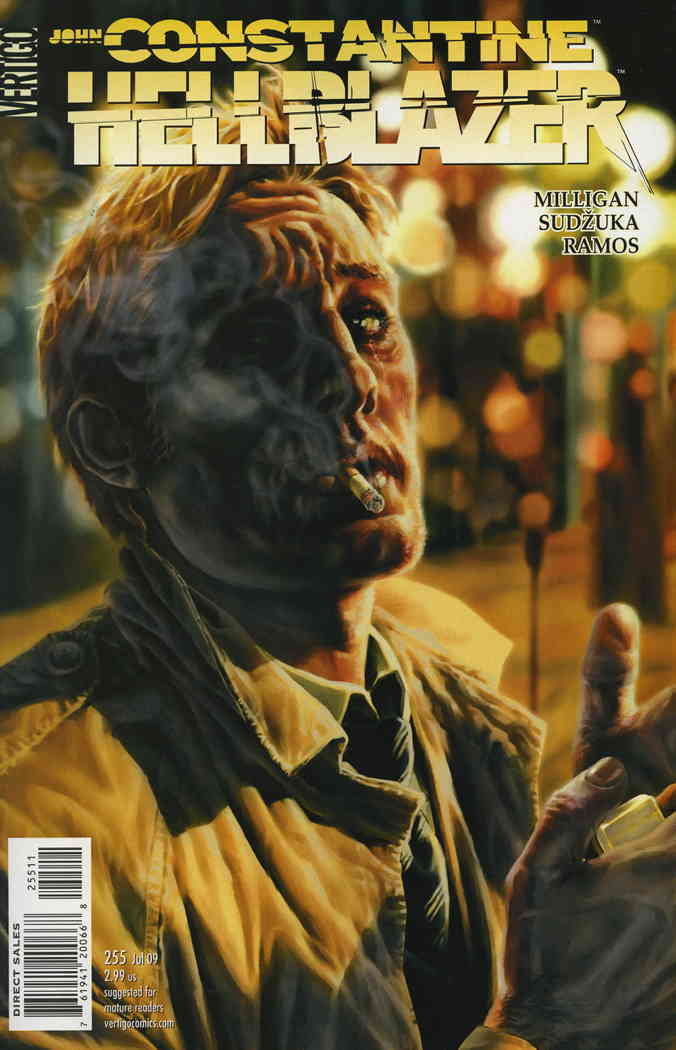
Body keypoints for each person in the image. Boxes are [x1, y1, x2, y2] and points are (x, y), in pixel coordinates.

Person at [1, 87, 676, 1050]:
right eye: (262, 343)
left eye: (365, 320)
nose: (354, 380)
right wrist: (551, 1023)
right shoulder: (41, 832)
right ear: (115, 440)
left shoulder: (456, 723)